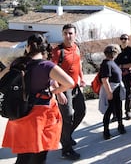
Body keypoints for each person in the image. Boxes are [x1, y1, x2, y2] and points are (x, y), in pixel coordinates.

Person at [2, 34, 74, 164]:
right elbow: (69, 83)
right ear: (44, 48)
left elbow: (2, 77)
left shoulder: (17, 63)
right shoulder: (47, 66)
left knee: (23, 155)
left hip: (20, 112)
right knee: (39, 155)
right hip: (40, 116)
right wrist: (54, 91)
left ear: (28, 47)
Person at [51, 23, 86, 161]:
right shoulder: (58, 51)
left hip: (75, 87)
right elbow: (51, 72)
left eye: (70, 33)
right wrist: (58, 92)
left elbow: (79, 65)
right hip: (63, 89)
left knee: (81, 111)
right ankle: (66, 150)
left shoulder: (77, 48)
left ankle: (65, 136)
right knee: (68, 116)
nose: (68, 36)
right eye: (65, 33)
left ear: (75, 34)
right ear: (62, 34)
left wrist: (82, 79)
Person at [99, 44, 126, 140]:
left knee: (118, 109)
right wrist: (109, 93)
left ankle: (120, 126)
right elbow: (104, 79)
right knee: (108, 111)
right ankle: (106, 132)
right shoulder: (106, 64)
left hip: (117, 89)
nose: (114, 54)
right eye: (112, 52)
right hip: (111, 90)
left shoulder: (112, 62)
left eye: (114, 52)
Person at [115, 34, 131, 120]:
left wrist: (121, 66)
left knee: (128, 93)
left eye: (125, 39)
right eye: (122, 39)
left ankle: (128, 111)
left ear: (128, 40)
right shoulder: (117, 49)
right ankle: (116, 113)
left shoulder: (130, 50)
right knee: (116, 94)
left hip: (127, 75)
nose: (123, 40)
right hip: (117, 75)